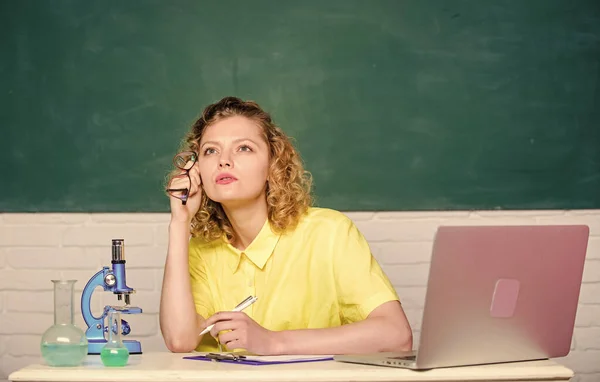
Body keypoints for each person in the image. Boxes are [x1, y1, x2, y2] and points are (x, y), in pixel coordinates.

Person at [159, 96, 413, 355]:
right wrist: (179, 222)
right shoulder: (201, 250)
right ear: (197, 169)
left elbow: (396, 334)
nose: (223, 160)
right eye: (210, 150)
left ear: (273, 164)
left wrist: (273, 342)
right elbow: (180, 341)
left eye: (243, 148)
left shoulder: (329, 232)